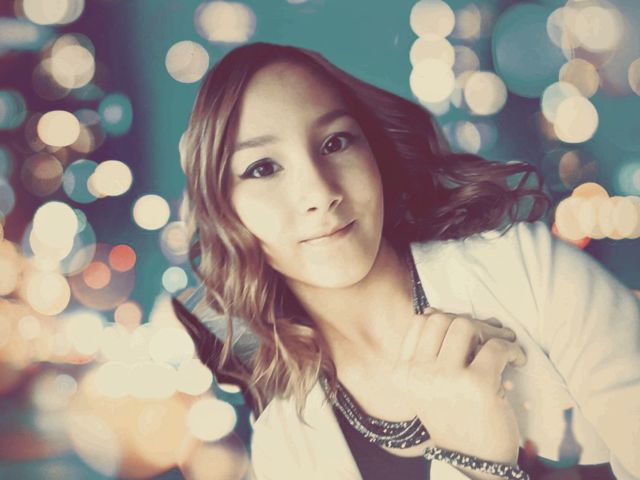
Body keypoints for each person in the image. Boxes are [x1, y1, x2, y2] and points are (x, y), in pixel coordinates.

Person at [176, 42, 640, 479]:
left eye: (336, 142)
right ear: (225, 212)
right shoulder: (285, 448)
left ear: (373, 153)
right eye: (262, 168)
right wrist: (474, 460)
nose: (319, 193)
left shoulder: (527, 271)